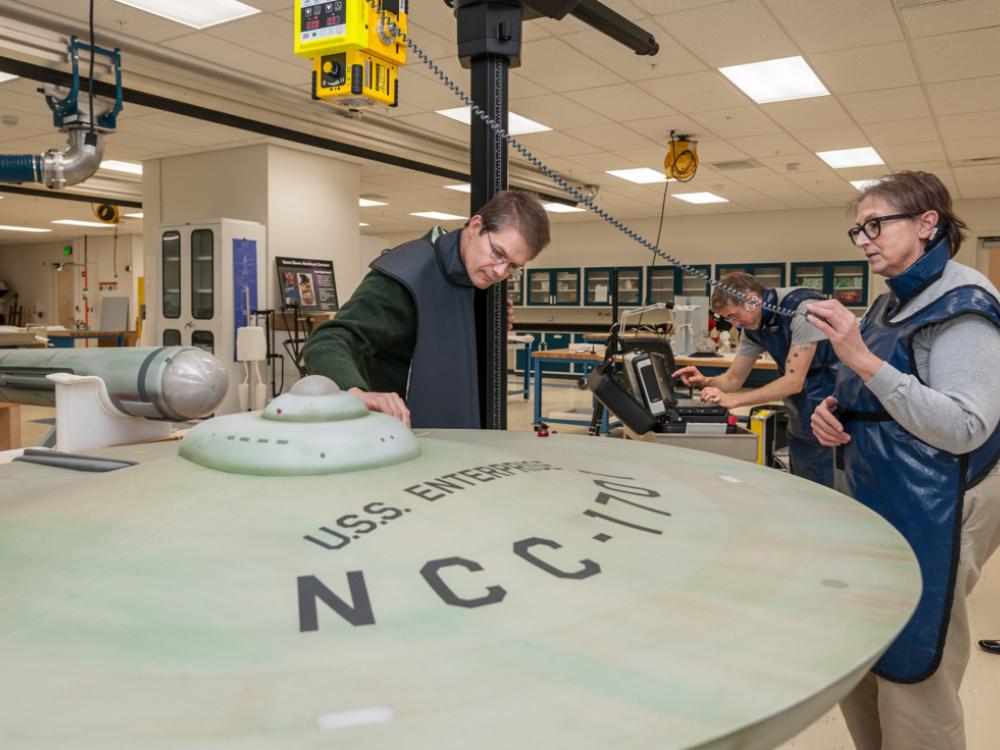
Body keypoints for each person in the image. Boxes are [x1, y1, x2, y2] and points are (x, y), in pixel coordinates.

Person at [807, 171, 1000, 750]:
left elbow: (965, 426)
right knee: (865, 651)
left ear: (926, 224)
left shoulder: (964, 307)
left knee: (918, 663)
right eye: (857, 229)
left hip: (938, 503)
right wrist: (833, 412)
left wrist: (862, 360)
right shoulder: (892, 301)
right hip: (880, 496)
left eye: (876, 225)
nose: (864, 239)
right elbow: (882, 391)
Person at [303, 190, 550, 429]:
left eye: (512, 266)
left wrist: (482, 325)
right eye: (497, 253)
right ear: (476, 226)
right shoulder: (405, 279)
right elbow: (327, 341)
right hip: (400, 439)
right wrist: (354, 393)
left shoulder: (472, 276)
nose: (499, 272)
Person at [672, 271, 839, 486]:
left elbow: (793, 381)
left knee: (833, 481)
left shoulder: (802, 309)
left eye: (734, 316)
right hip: (801, 407)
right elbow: (733, 379)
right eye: (728, 319)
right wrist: (704, 381)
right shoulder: (753, 327)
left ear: (753, 300)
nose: (734, 324)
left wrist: (736, 400)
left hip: (835, 399)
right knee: (805, 478)